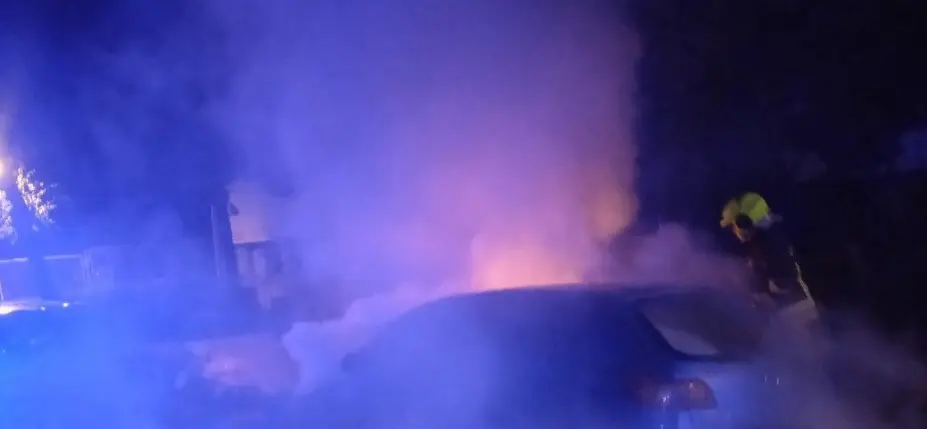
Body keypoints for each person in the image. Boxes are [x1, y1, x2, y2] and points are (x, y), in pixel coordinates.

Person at [721, 192, 819, 332]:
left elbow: (775, 284)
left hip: (793, 315)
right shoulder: (773, 238)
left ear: (744, 222)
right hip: (796, 311)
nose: (734, 231)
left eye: (733, 225)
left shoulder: (768, 247)